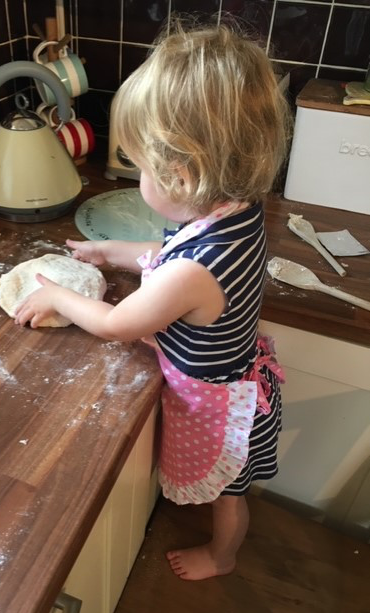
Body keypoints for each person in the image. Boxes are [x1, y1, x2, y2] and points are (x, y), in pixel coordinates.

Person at [15, 20, 291, 581]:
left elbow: (117, 323)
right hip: (237, 383)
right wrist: (113, 252)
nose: (137, 174)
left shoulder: (196, 268)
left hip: (218, 407)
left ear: (181, 174)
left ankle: (223, 555)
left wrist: (59, 296)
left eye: (140, 166)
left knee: (229, 498)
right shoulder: (234, 210)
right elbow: (168, 255)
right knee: (227, 491)